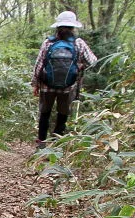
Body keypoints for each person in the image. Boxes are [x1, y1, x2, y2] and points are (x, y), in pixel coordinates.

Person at [31, 11, 97, 149]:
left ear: (57, 27)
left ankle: (41, 144)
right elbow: (93, 61)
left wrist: (35, 84)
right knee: (63, 114)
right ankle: (56, 144)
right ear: (73, 28)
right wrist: (79, 66)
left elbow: (39, 64)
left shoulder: (48, 43)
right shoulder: (79, 43)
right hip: (69, 87)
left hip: (46, 86)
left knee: (44, 113)